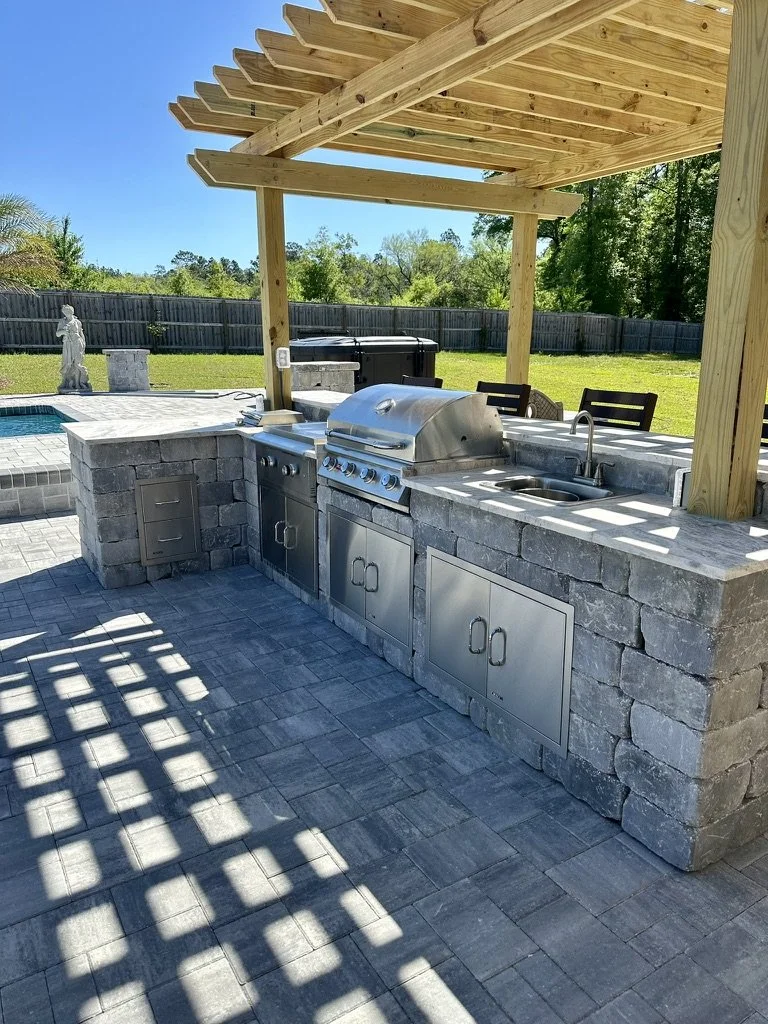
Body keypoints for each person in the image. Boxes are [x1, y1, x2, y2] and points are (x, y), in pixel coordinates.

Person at [56, 304, 92, 392]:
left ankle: (78, 383)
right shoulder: (62, 322)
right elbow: (57, 334)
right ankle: (66, 382)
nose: (67, 313)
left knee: (77, 363)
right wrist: (64, 331)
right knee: (67, 363)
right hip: (68, 344)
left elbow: (81, 334)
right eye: (65, 311)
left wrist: (83, 344)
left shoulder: (77, 322)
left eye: (68, 311)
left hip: (77, 343)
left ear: (72, 311)